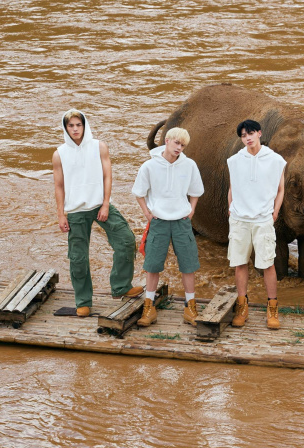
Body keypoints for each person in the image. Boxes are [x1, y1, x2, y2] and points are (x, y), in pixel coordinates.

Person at [52, 109, 142, 317]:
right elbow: (59, 186)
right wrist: (61, 214)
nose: (75, 129)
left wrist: (105, 203)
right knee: (78, 258)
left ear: (84, 126)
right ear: (65, 128)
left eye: (78, 125)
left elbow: (107, 176)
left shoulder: (99, 147)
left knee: (126, 240)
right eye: (71, 126)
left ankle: (121, 286)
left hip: (100, 205)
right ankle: (83, 301)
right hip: (75, 210)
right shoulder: (59, 154)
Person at [131, 127, 204, 327]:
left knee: (188, 264)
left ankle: (190, 306)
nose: (179, 148)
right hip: (158, 221)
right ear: (167, 141)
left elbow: (196, 190)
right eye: (176, 143)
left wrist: (192, 211)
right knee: (152, 265)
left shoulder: (189, 165)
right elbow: (139, 192)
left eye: (183, 145)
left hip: (181, 221)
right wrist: (147, 213)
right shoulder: (149, 166)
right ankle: (149, 306)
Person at [227, 119, 286, 329]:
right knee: (240, 263)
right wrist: (231, 211)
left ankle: (272, 309)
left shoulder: (275, 160)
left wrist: (275, 212)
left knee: (267, 264)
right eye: (243, 136)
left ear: (259, 133)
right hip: (239, 220)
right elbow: (232, 188)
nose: (247, 138)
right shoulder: (234, 160)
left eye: (250, 133)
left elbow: (281, 189)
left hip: (263, 219)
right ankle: (242, 307)